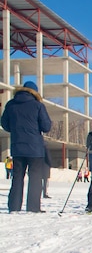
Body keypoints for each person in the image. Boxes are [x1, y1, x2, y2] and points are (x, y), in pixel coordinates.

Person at [1, 80, 52, 212]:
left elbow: (5, 124)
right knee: (35, 178)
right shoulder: (38, 105)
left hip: (17, 146)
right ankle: (33, 207)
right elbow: (46, 126)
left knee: (17, 178)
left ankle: (14, 206)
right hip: (35, 148)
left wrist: (16, 130)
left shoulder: (11, 104)